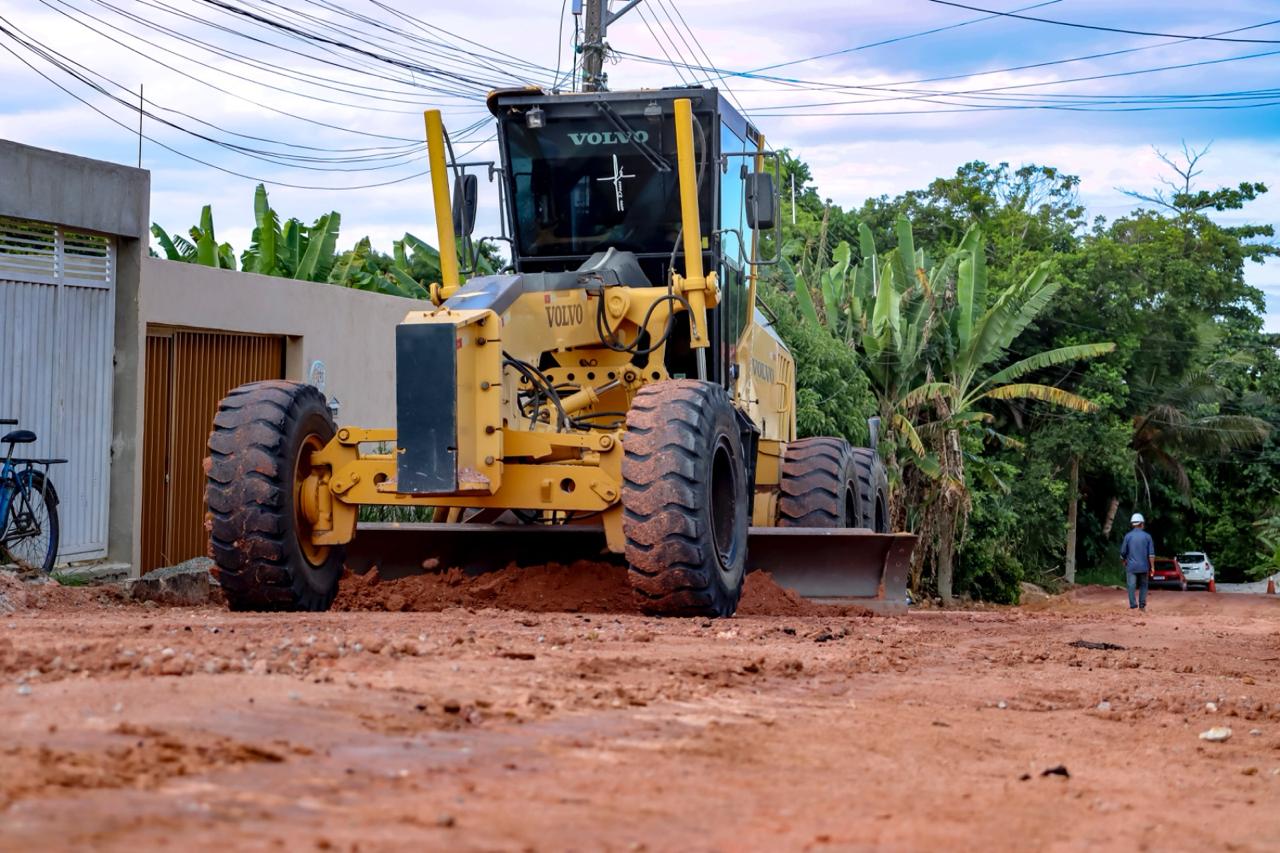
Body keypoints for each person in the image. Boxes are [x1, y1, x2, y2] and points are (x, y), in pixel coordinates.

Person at [1120, 512, 1156, 611]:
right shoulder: (1147, 537)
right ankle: (1142, 606)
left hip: (1131, 567)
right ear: (1141, 524)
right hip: (1144, 567)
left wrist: (1123, 560)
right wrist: (1152, 567)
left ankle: (1133, 605)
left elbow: (1123, 552)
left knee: (1131, 585)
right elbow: (1151, 554)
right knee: (1143, 585)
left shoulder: (1128, 536)